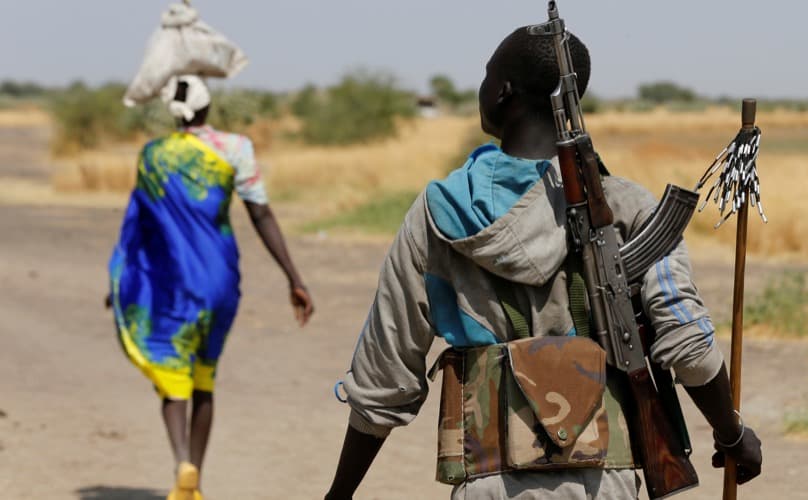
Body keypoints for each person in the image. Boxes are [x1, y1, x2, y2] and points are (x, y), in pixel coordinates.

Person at [325, 26, 762, 500]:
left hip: (486, 483)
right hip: (602, 484)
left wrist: (339, 494)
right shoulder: (628, 205)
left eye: (486, 76)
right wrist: (730, 432)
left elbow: (384, 376)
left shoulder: (436, 214)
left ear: (502, 91)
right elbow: (687, 344)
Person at [108, 75, 314, 500]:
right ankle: (196, 480)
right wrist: (294, 277)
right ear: (207, 106)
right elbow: (261, 214)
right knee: (205, 375)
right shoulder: (235, 149)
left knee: (171, 371)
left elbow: (138, 224)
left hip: (171, 280)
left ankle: (182, 462)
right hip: (220, 280)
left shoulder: (153, 155)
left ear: (172, 111)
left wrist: (119, 277)